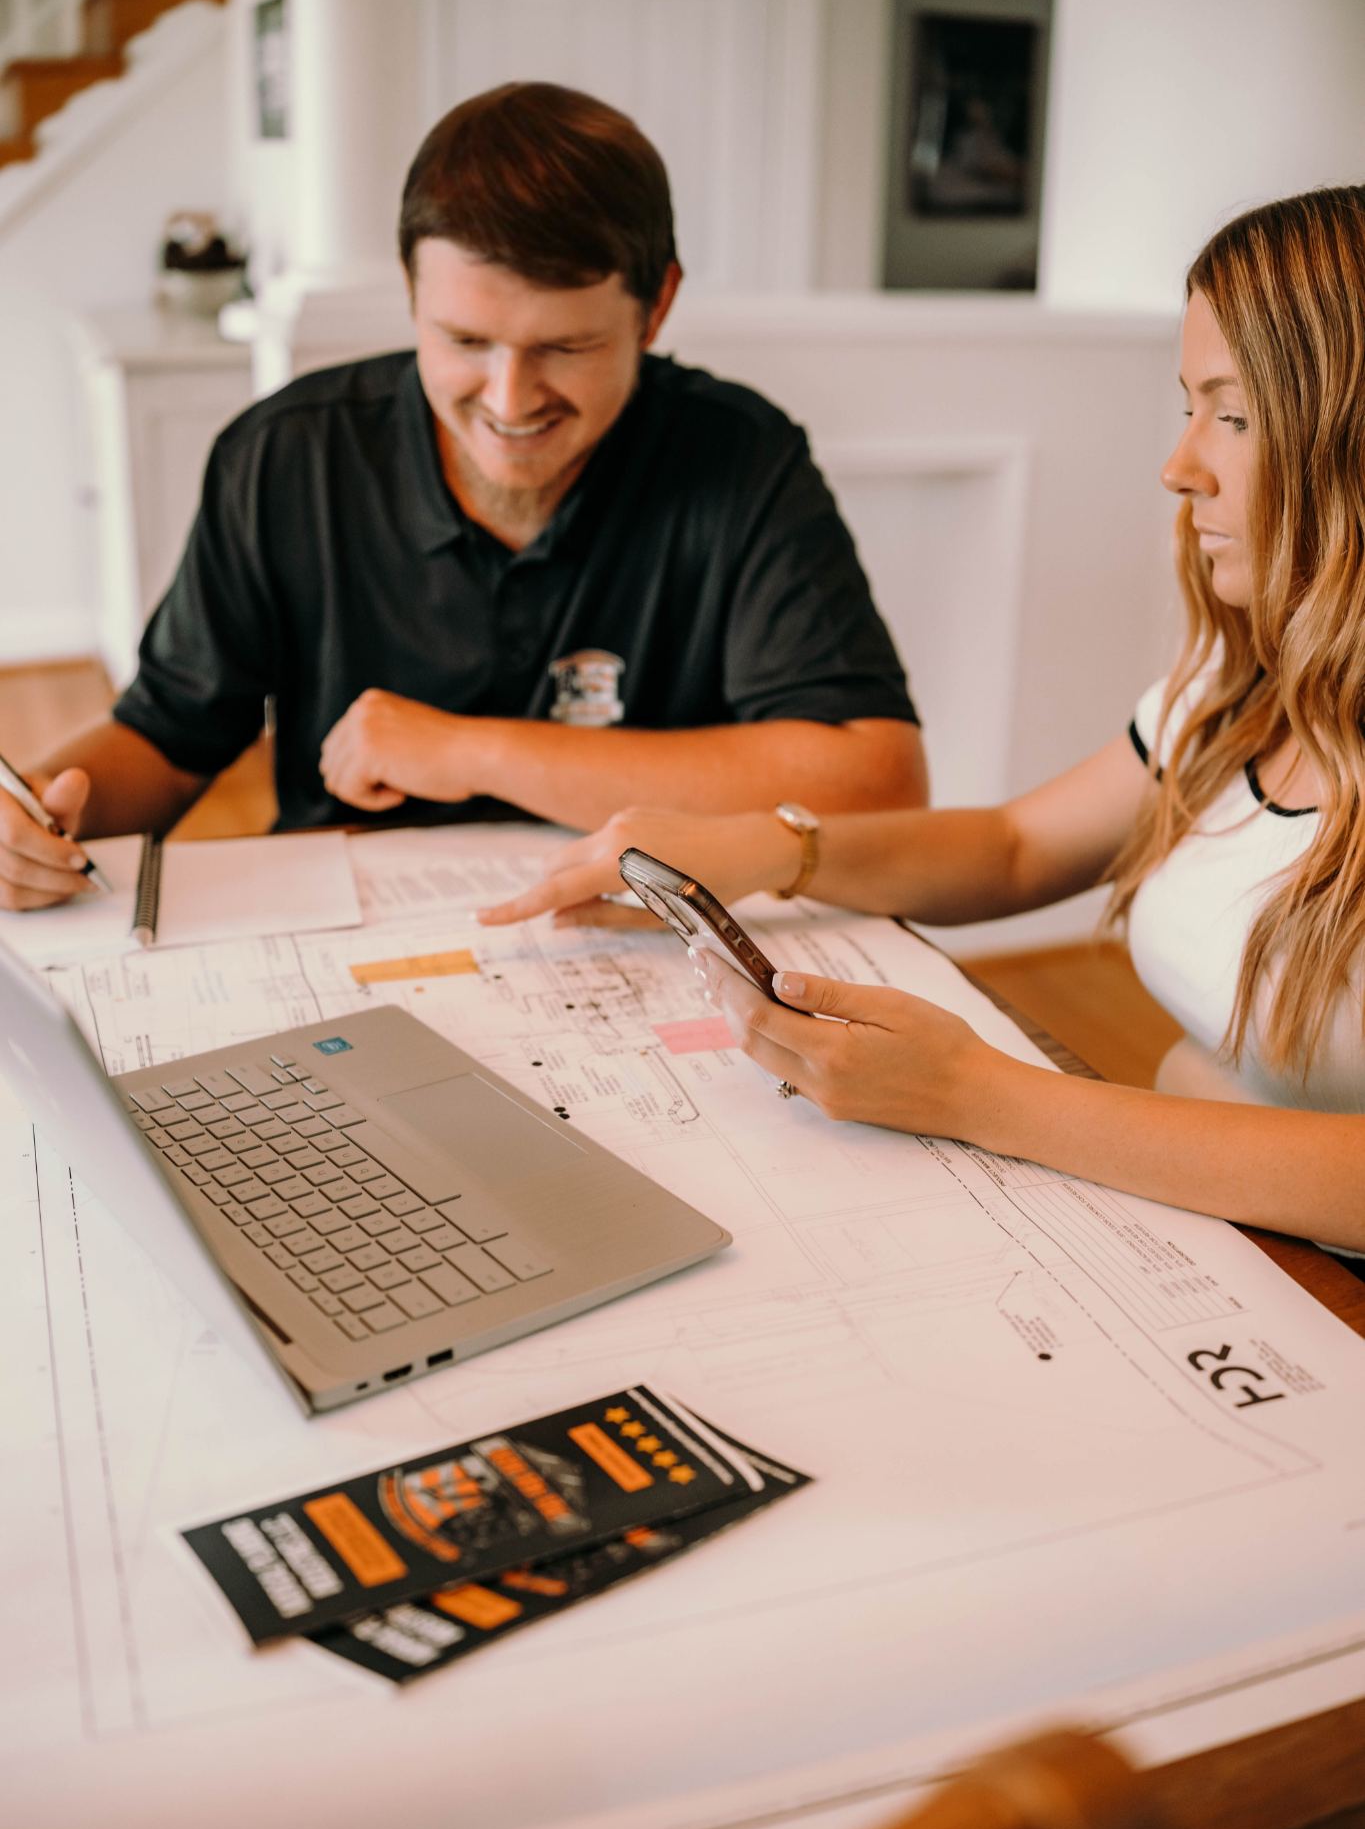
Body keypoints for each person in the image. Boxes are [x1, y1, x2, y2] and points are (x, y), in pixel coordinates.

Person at [480, 184, 1365, 1261]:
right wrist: (765, 846)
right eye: (1188, 407)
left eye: (1232, 414)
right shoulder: (1243, 690)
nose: (1181, 466)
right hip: (1208, 1243)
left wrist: (982, 1094)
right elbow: (1016, 843)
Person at [1, 82, 925, 915]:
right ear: (409, 293)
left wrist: (471, 751)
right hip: (346, 936)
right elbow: (168, 729)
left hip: (641, 927)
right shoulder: (286, 453)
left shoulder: (738, 456)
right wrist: (33, 812)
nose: (510, 400)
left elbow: (876, 786)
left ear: (656, 307)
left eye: (566, 347)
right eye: (465, 340)